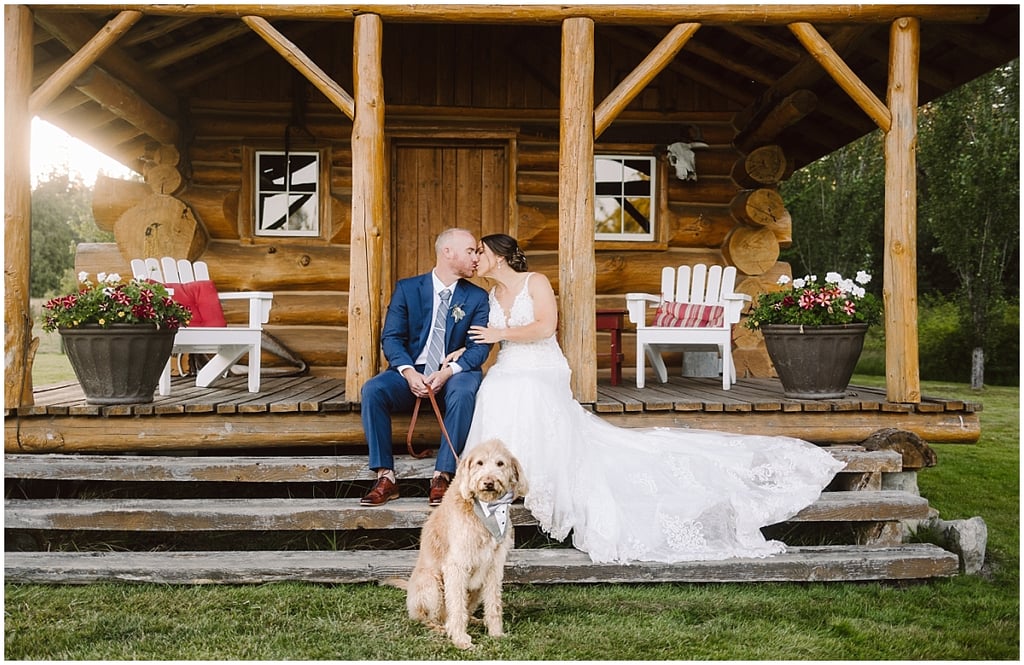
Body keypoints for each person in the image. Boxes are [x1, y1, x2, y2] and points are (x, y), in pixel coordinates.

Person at [463, 233, 845, 563]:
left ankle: (537, 477)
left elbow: (545, 327)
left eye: (479, 251)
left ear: (497, 255)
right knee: (494, 387)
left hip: (541, 364)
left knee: (524, 388)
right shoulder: (490, 293)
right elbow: (480, 334)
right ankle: (496, 477)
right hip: (510, 364)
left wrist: (501, 335)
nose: (475, 258)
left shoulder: (536, 282)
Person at [360, 228, 492, 507]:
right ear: (447, 252)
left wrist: (447, 372)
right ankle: (386, 476)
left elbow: (480, 347)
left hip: (454, 372)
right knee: (373, 389)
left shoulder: (478, 297)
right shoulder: (408, 289)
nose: (475, 258)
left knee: (465, 390)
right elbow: (392, 338)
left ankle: (442, 475)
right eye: (470, 251)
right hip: (413, 371)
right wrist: (408, 373)